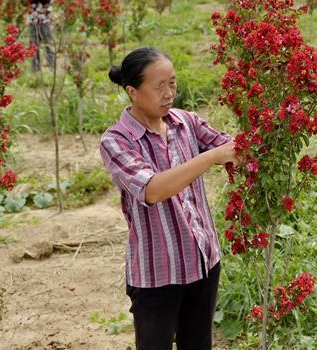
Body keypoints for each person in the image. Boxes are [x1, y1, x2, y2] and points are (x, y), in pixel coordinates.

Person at [100, 47, 241, 350]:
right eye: (159, 86)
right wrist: (212, 157)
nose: (169, 93)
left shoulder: (185, 122)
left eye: (173, 84)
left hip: (203, 261)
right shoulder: (117, 140)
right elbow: (153, 189)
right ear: (132, 92)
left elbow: (232, 147)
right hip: (157, 274)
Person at [28, 0, 55, 71]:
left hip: (45, 21)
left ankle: (52, 67)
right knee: (33, 46)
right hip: (33, 21)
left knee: (48, 43)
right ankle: (35, 69)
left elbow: (46, 0)